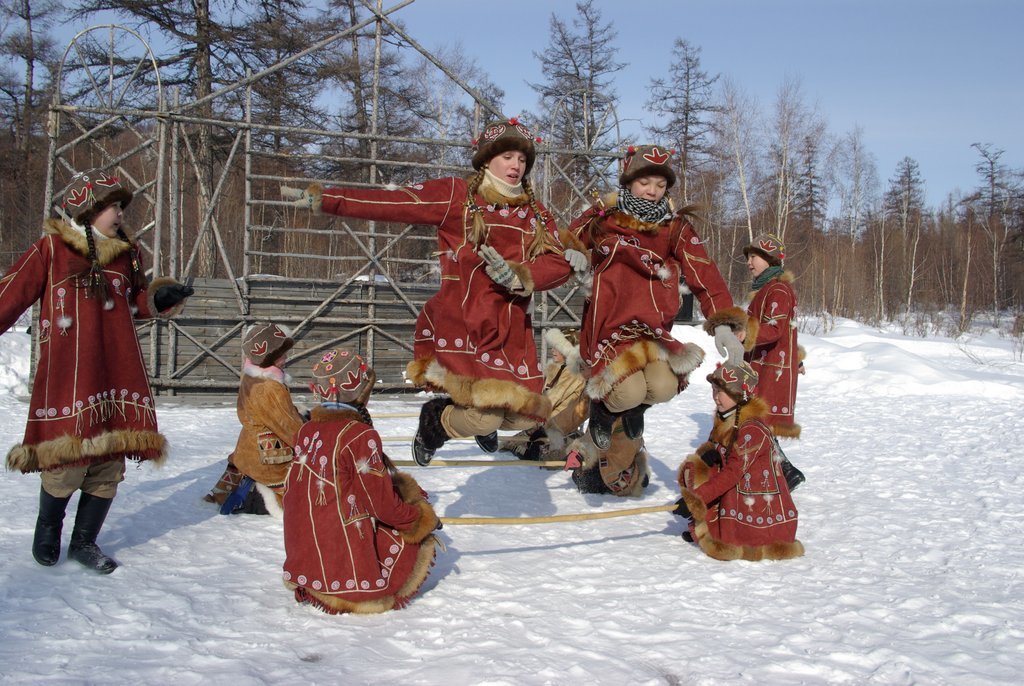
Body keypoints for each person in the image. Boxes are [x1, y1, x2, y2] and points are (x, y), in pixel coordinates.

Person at [282, 116, 588, 465]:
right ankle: (434, 424)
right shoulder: (456, 196)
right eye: (507, 157)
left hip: (511, 332)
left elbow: (556, 263)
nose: (516, 165)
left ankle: (476, 418)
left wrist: (524, 274)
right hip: (465, 324)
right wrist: (329, 199)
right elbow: (392, 203)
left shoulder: (535, 214)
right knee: (483, 415)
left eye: (522, 159)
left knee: (526, 415)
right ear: (487, 159)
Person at [1, 168, 194, 573]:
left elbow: (138, 304)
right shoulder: (52, 249)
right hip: (72, 371)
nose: (120, 213)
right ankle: (47, 530)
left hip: (118, 371)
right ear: (89, 210)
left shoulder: (128, 254)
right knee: (67, 460)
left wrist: (161, 297)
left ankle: (84, 542)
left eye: (122, 206)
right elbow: (12, 293)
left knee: (109, 462)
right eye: (112, 206)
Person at [568, 145, 747, 451]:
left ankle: (633, 412)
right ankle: (604, 412)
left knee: (663, 387)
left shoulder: (673, 227)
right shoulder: (603, 217)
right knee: (627, 391)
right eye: (645, 183)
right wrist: (570, 251)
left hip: (651, 330)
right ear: (629, 181)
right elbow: (564, 241)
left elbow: (704, 272)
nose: (652, 191)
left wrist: (724, 324)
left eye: (660, 185)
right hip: (609, 327)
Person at [282, 347, 441, 614]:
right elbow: (381, 504)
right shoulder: (358, 435)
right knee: (415, 539)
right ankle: (356, 588)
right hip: (345, 563)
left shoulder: (307, 430)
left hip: (304, 562)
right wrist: (420, 519)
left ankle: (316, 576)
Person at [674, 360, 803, 561]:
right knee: (695, 466)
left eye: (721, 392)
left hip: (752, 495)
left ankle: (723, 531)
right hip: (735, 482)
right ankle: (705, 524)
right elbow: (714, 445)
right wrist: (710, 452)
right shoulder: (727, 416)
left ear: (740, 396)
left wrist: (696, 500)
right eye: (714, 390)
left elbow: (733, 472)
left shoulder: (752, 429)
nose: (716, 397)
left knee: (717, 480)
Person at [203, 322, 305, 517]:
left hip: (248, 447)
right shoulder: (270, 387)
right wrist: (311, 437)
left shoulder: (251, 377)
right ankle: (260, 499)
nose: (286, 358)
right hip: (269, 456)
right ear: (270, 358)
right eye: (281, 354)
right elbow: (288, 426)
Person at [740, 233, 805, 489]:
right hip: (763, 364)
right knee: (754, 421)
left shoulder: (777, 289)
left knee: (755, 420)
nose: (748, 262)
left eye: (753, 257)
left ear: (769, 259)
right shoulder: (767, 289)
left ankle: (785, 473)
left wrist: (746, 334)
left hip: (769, 369)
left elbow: (776, 328)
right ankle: (781, 472)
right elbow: (788, 331)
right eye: (748, 257)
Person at [499, 327, 585, 462]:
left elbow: (550, 401)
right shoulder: (557, 368)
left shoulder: (572, 373)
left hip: (559, 423)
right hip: (544, 420)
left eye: (557, 347)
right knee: (513, 441)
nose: (553, 350)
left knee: (538, 454)